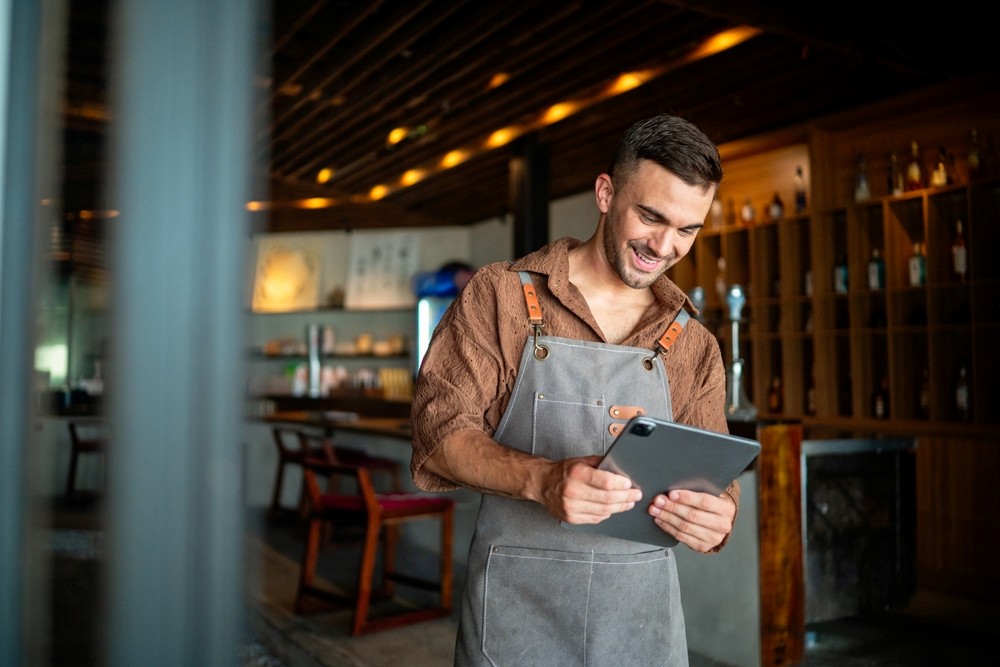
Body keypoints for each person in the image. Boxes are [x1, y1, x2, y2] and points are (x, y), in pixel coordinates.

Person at [410, 114, 738, 666]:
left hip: (642, 627)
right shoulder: (502, 297)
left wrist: (718, 516)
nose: (664, 246)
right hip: (516, 620)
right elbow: (439, 432)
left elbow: (711, 472)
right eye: (651, 217)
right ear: (606, 193)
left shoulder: (695, 344)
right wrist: (543, 478)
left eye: (687, 230)